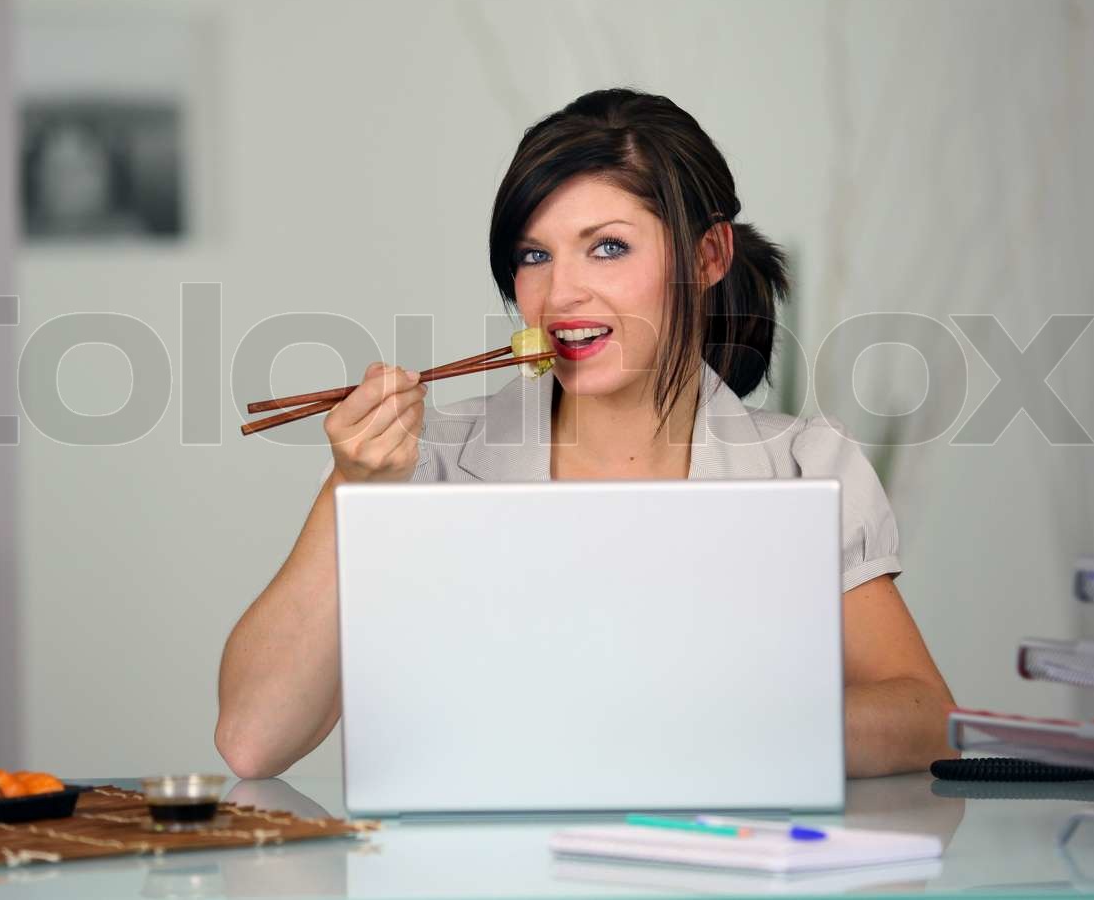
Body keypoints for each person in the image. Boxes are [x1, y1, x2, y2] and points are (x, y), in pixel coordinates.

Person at [216, 88, 956, 780]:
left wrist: (707, 731)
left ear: (708, 257)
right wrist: (352, 490)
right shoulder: (424, 461)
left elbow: (924, 716)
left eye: (606, 246)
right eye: (535, 255)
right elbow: (253, 739)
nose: (560, 294)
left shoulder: (804, 466)